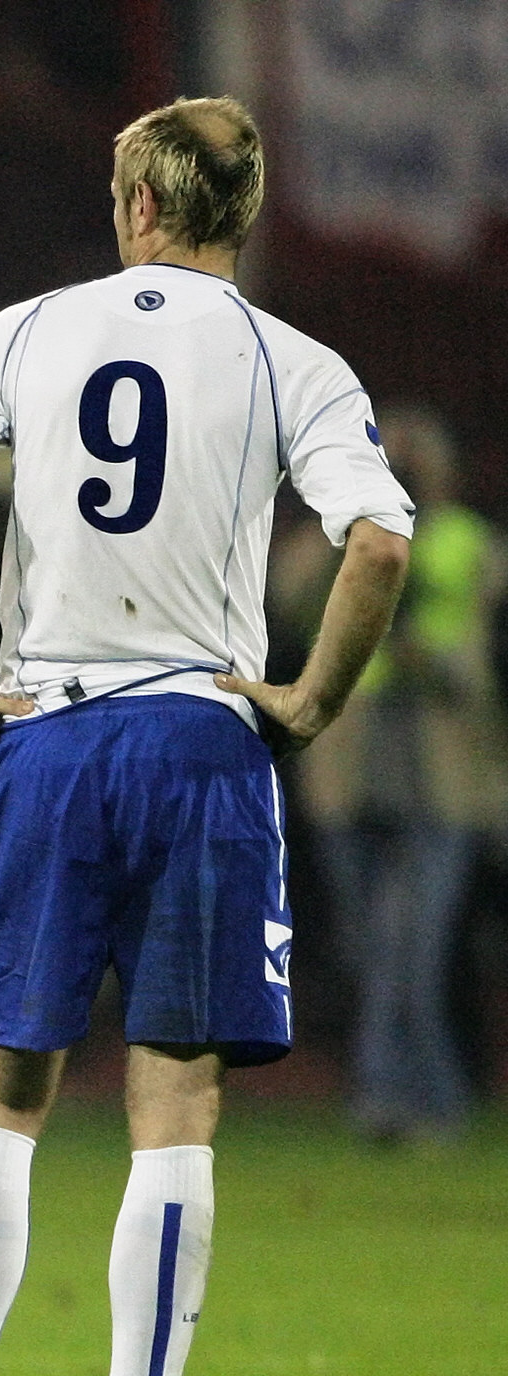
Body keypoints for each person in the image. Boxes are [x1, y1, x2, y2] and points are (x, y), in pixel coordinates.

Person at [0, 97, 414, 1376]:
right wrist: (306, 700)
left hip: (48, 733)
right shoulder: (293, 361)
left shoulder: (26, 333)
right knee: (175, 1102)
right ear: (246, 208)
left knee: (4, 1086)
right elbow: (379, 538)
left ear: (139, 206)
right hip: (198, 741)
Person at [285, 408, 503, 1147]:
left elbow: (479, 637)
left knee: (408, 945)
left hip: (440, 764)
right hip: (354, 765)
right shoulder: (342, 532)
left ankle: (390, 1100)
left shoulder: (467, 539)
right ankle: (431, 1097)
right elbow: (285, 597)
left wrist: (440, 663)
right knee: (374, 945)